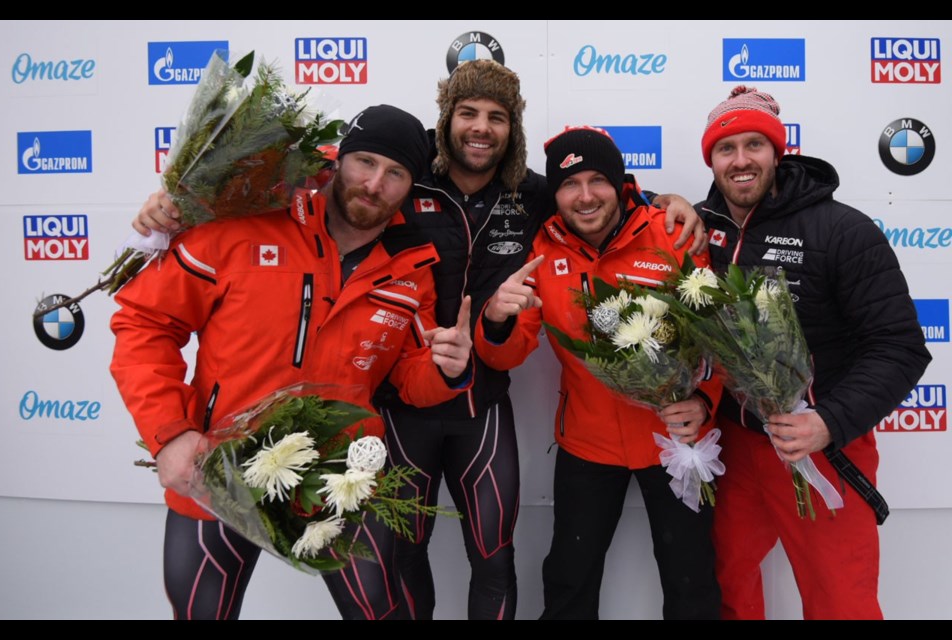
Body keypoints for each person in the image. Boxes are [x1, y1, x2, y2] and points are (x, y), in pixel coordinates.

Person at [133, 60, 706, 620]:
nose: (481, 128)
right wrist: (182, 199)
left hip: (469, 403)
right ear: (444, 123)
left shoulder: (529, 194)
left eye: (497, 116)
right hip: (365, 418)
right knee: (399, 562)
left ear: (513, 130)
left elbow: (588, 193)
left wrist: (661, 200)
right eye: (468, 112)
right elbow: (328, 175)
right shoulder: (394, 176)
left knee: (492, 561)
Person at [110, 104, 474, 620]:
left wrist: (448, 368)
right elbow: (145, 324)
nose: (374, 184)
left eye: (396, 174)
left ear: (411, 187)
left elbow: (410, 378)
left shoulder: (411, 266)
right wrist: (169, 433)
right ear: (339, 158)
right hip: (217, 467)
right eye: (364, 162)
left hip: (338, 478)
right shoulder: (246, 218)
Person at [697, 86, 931, 619]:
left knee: (839, 600)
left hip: (821, 445)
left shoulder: (842, 230)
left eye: (753, 145)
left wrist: (828, 421)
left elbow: (899, 347)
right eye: (725, 148)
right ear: (709, 159)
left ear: (777, 152)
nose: (740, 160)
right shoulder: (700, 228)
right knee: (723, 585)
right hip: (734, 442)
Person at [475, 126, 723, 620]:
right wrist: (496, 321)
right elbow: (508, 353)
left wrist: (704, 401)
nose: (585, 197)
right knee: (569, 578)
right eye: (569, 184)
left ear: (620, 183)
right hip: (587, 444)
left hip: (675, 441)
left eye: (597, 181)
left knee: (691, 579)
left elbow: (717, 334)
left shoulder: (672, 233)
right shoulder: (542, 249)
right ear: (555, 193)